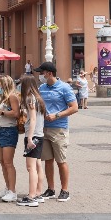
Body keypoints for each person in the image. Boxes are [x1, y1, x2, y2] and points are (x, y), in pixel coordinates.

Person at [36, 62, 78, 202]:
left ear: (49, 73)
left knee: (61, 161)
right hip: (44, 127)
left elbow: (74, 107)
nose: (40, 75)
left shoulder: (64, 87)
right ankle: (50, 189)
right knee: (48, 160)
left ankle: (65, 190)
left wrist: (57, 115)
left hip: (59, 128)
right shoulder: (42, 87)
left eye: (42, 73)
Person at [16, 76, 46, 207]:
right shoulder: (38, 98)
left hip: (34, 136)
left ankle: (31, 196)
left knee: (31, 167)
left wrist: (29, 137)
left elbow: (33, 119)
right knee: (38, 165)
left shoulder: (30, 98)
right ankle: (38, 193)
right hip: (39, 135)